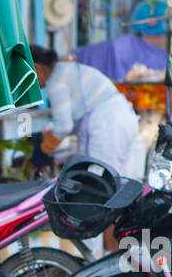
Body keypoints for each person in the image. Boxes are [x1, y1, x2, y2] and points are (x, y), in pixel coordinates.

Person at [31, 44, 141, 180]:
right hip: (122, 119)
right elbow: (70, 120)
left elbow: (63, 126)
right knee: (112, 181)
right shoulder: (66, 69)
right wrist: (43, 134)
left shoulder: (56, 82)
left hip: (107, 126)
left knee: (99, 182)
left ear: (36, 68)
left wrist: (40, 152)